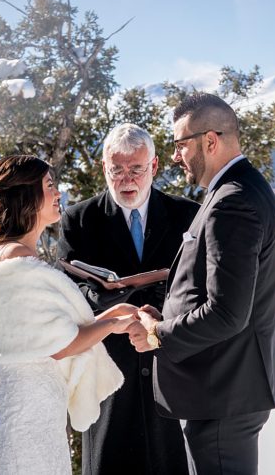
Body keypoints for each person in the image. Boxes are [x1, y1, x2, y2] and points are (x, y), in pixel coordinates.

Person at [129, 93, 275, 475]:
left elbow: (228, 313)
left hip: (223, 395)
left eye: (180, 145)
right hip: (226, 393)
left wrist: (158, 333)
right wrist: (165, 312)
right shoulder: (239, 189)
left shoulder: (231, 202)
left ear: (210, 141)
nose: (175, 156)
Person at [0, 155, 137, 475]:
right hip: (25, 408)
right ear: (26, 195)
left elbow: (38, 333)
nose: (58, 193)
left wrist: (113, 313)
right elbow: (60, 343)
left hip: (7, 399)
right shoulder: (18, 257)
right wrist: (113, 324)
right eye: (50, 186)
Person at [58, 123, 198, 475]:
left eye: (135, 169)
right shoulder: (79, 219)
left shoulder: (188, 215)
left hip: (173, 369)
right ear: (104, 169)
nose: (126, 179)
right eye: (116, 170)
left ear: (153, 167)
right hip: (108, 376)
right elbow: (71, 293)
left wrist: (150, 315)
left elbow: (197, 287)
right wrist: (121, 314)